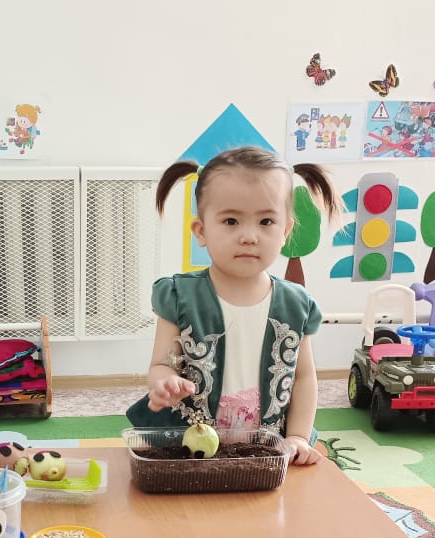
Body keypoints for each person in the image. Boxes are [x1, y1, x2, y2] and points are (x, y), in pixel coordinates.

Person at [125, 146, 338, 465]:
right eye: (230, 221)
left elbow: (304, 378)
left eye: (266, 221)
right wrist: (165, 381)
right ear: (201, 231)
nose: (249, 236)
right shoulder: (180, 296)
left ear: (286, 231)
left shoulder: (296, 304)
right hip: (189, 445)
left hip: (266, 449)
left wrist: (297, 436)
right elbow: (165, 361)